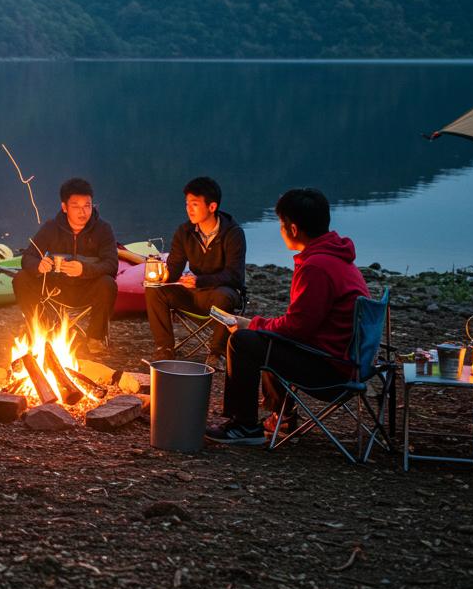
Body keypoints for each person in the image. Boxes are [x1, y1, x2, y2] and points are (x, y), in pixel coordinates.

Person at [205, 188, 369, 444]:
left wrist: (252, 325)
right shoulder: (336, 257)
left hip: (333, 373)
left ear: (293, 229)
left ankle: (244, 426)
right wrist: (260, 327)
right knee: (267, 335)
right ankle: (282, 416)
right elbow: (301, 324)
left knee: (243, 341)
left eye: (280, 224)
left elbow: (297, 326)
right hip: (349, 363)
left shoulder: (317, 266)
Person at [145, 176, 247, 364]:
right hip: (194, 295)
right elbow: (175, 268)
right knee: (154, 290)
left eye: (194, 204)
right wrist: (162, 275)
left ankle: (216, 353)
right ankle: (165, 348)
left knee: (222, 295)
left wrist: (200, 280)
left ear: (212, 207)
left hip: (221, 297)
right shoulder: (185, 231)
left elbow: (235, 275)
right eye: (187, 204)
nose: (188, 209)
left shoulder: (233, 233)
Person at [13, 177, 119, 355]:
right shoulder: (51, 228)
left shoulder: (103, 229)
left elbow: (111, 265)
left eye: (87, 205)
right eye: (76, 206)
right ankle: (39, 327)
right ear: (64, 207)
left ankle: (95, 337)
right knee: (21, 279)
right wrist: (39, 266)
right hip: (56, 288)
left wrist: (84, 270)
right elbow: (28, 257)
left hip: (87, 288)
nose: (83, 212)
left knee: (108, 284)